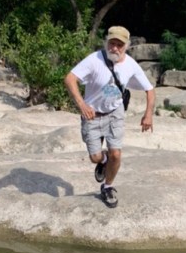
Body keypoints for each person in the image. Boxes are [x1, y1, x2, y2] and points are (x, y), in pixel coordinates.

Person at [64, 26, 155, 208]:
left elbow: (150, 90)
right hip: (92, 115)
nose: (114, 48)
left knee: (116, 153)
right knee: (95, 157)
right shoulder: (94, 59)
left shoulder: (131, 64)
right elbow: (69, 78)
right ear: (107, 42)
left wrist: (148, 115)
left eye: (119, 45)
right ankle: (103, 160)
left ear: (126, 46)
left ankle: (108, 186)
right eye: (112, 43)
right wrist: (82, 104)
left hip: (115, 113)